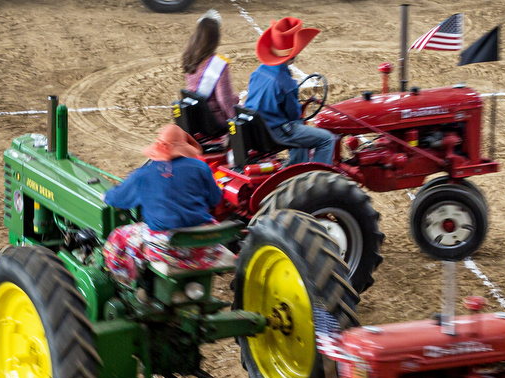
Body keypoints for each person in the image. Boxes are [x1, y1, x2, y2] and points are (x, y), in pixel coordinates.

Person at [102, 124, 228, 285]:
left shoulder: (144, 174)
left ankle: (128, 281)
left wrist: (106, 196)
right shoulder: (201, 167)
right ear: (184, 146)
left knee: (119, 235)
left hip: (167, 249)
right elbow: (215, 199)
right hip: (203, 247)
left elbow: (118, 198)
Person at [244, 16, 336, 165]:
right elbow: (293, 114)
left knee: (297, 127)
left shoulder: (258, 71)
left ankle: (297, 164)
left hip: (256, 129)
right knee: (327, 139)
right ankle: (317, 174)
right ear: (294, 55)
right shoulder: (287, 83)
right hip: (275, 133)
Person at [182, 9, 238, 130]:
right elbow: (224, 101)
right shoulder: (219, 65)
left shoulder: (190, 57)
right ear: (215, 39)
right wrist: (236, 122)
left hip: (195, 116)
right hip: (212, 120)